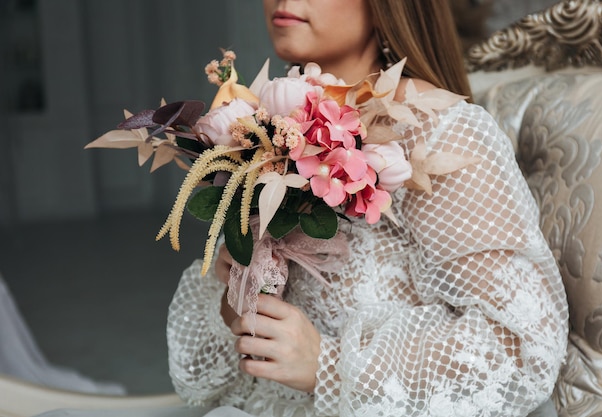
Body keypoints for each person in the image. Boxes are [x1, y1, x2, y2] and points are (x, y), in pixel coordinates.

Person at [166, 0, 569, 416]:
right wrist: (240, 290)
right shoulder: (272, 130)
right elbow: (211, 375)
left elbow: (524, 346)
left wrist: (331, 367)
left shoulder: (439, 133)